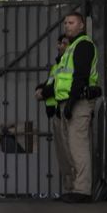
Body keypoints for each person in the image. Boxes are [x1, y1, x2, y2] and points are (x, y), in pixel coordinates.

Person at [53, 12, 101, 203]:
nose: (67, 26)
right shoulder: (71, 48)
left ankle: (82, 190)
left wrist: (71, 103)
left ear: (81, 25)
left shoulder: (83, 46)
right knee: (69, 147)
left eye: (71, 22)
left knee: (78, 146)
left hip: (78, 102)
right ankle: (74, 188)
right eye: (65, 23)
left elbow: (80, 76)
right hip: (67, 101)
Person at [35, 34, 72, 196]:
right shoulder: (57, 65)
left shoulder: (69, 62)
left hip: (67, 112)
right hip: (57, 113)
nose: (60, 46)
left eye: (64, 43)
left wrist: (43, 93)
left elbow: (59, 86)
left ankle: (75, 189)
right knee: (63, 155)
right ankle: (69, 189)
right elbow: (51, 82)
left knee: (70, 153)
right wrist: (40, 88)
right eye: (59, 43)